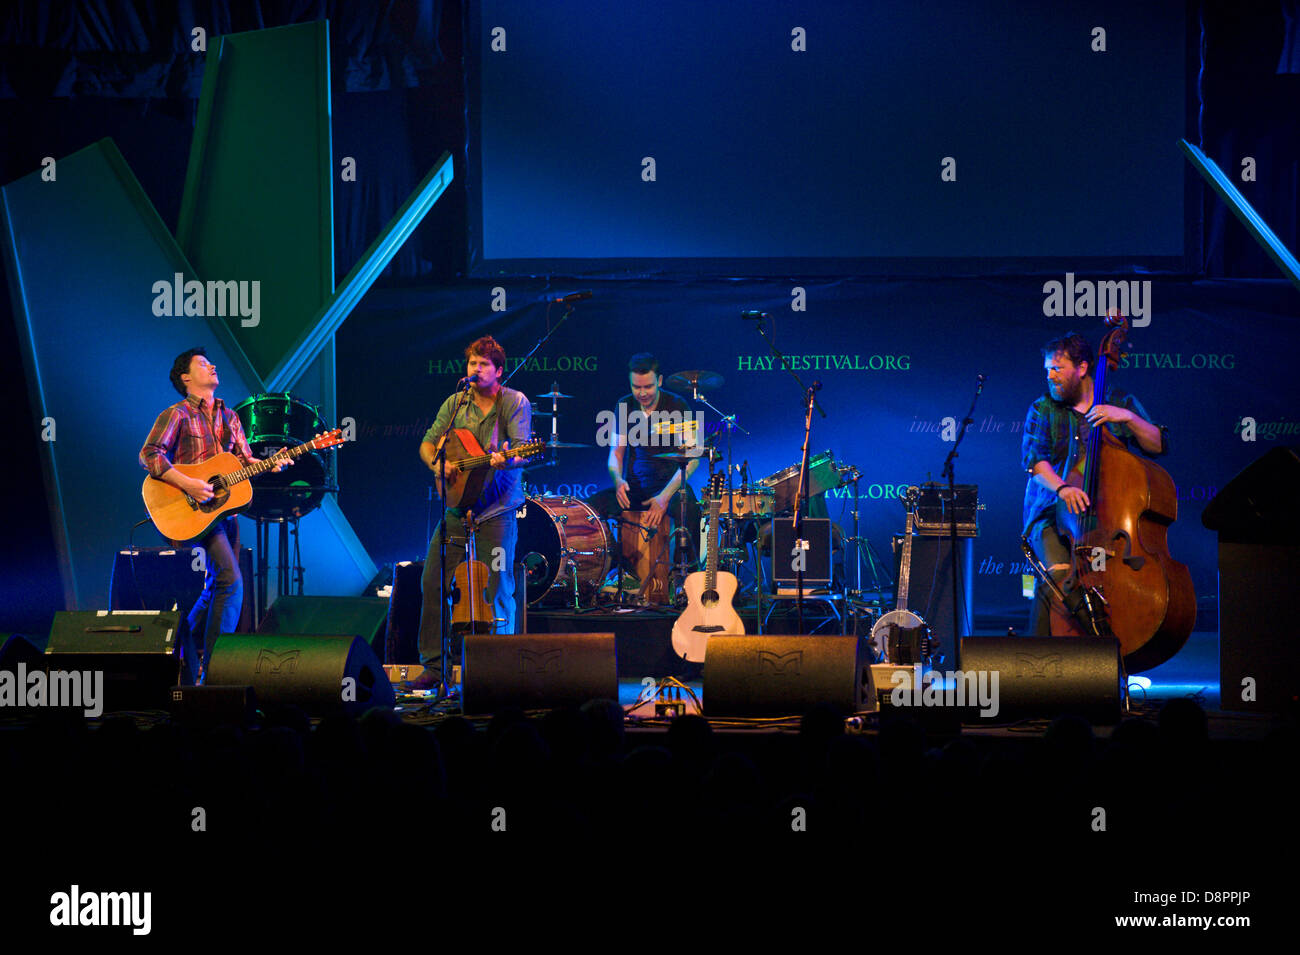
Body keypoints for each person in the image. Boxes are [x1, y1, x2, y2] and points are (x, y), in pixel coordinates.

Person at [140, 347, 291, 683]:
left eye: (211, 362)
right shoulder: (176, 414)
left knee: (217, 586)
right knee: (232, 582)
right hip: (188, 509)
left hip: (222, 513)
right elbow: (149, 454)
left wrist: (272, 462)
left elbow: (242, 463)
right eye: (203, 364)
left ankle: (173, 653)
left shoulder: (230, 417)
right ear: (185, 377)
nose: (212, 366)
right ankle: (214, 670)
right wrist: (189, 484)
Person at [1020, 332, 1168, 635]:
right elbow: (1035, 462)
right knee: (1059, 577)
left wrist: (1127, 417)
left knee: (1111, 587)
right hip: (1051, 516)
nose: (1049, 376)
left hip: (1107, 521)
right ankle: (1037, 663)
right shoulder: (1042, 408)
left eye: (1057, 369)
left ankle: (1105, 659)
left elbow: (1157, 444)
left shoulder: (1119, 402)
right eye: (1047, 369)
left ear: (1083, 368)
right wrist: (1063, 488)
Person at [410, 336, 531, 692]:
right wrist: (438, 463)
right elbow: (428, 443)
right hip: (456, 509)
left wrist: (508, 456)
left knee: (496, 586)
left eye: (483, 365)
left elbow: (523, 451)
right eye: (472, 364)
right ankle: (435, 665)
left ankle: (499, 668)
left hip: (497, 511)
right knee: (433, 580)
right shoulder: (456, 402)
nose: (476, 370)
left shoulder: (514, 402)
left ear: (499, 371)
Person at [589, 353, 702, 594]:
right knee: (591, 509)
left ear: (659, 381)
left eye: (648, 386)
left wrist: (663, 498)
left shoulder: (678, 405)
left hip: (669, 485)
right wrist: (617, 480)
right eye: (637, 387)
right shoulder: (624, 405)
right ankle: (622, 569)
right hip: (635, 486)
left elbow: (692, 459)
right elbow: (616, 453)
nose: (642, 393)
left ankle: (684, 578)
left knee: (689, 508)